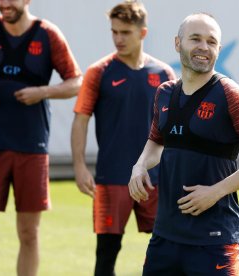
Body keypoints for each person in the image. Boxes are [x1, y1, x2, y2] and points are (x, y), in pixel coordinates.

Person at [129, 13, 239, 275]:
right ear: (178, 43)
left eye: (211, 42)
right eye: (195, 39)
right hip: (165, 237)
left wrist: (216, 191)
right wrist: (140, 165)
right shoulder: (165, 93)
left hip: (215, 240)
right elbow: (157, 140)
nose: (203, 47)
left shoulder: (230, 94)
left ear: (219, 50)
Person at [71, 2, 175, 275]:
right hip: (112, 178)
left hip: (156, 179)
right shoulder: (99, 71)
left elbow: (175, 128)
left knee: (169, 249)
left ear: (143, 33)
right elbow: (80, 120)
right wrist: (79, 166)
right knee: (106, 255)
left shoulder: (164, 74)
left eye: (125, 32)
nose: (118, 38)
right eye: (114, 32)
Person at [0, 0, 82, 275]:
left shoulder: (48, 34)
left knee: (29, 233)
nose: (4, 4)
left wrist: (43, 92)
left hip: (31, 146)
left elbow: (77, 82)